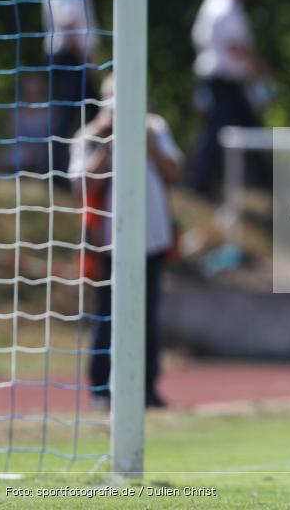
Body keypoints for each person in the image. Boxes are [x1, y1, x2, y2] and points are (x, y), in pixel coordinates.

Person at [70, 75, 183, 410]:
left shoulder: (156, 128)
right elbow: (80, 183)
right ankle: (101, 389)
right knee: (107, 315)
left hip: (151, 238)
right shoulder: (89, 136)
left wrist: (147, 141)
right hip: (108, 241)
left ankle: (147, 388)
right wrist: (108, 144)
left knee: (147, 315)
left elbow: (175, 171)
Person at [189, 0, 271, 198]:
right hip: (223, 80)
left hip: (219, 78)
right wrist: (257, 67)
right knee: (221, 131)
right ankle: (200, 181)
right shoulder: (225, 5)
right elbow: (236, 45)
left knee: (241, 126)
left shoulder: (212, 3)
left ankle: (262, 179)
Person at [42, 0, 102, 189]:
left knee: (89, 113)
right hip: (70, 58)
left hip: (71, 57)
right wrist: (86, 60)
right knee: (72, 116)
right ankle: (59, 174)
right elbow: (68, 24)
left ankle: (79, 170)